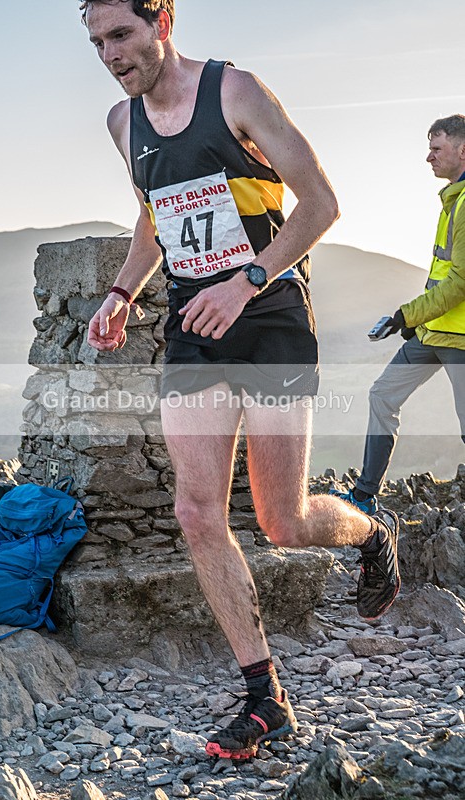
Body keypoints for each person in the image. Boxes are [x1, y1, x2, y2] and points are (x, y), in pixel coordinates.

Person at [81, 0, 401, 760]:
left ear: (162, 22)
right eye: (96, 42)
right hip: (195, 326)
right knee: (196, 512)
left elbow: (320, 203)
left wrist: (248, 280)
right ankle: (266, 698)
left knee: (282, 522)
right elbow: (154, 216)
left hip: (270, 320)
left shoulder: (235, 92)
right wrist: (122, 293)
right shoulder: (123, 124)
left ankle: (372, 531)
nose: (110, 55)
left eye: (121, 34)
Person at [333, 115, 465, 515]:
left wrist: (405, 315)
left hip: (460, 339)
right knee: (383, 395)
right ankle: (364, 495)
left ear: (462, 150)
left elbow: (459, 284)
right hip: (430, 334)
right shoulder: (452, 201)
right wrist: (413, 322)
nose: (429, 157)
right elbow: (441, 276)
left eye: (437, 148)